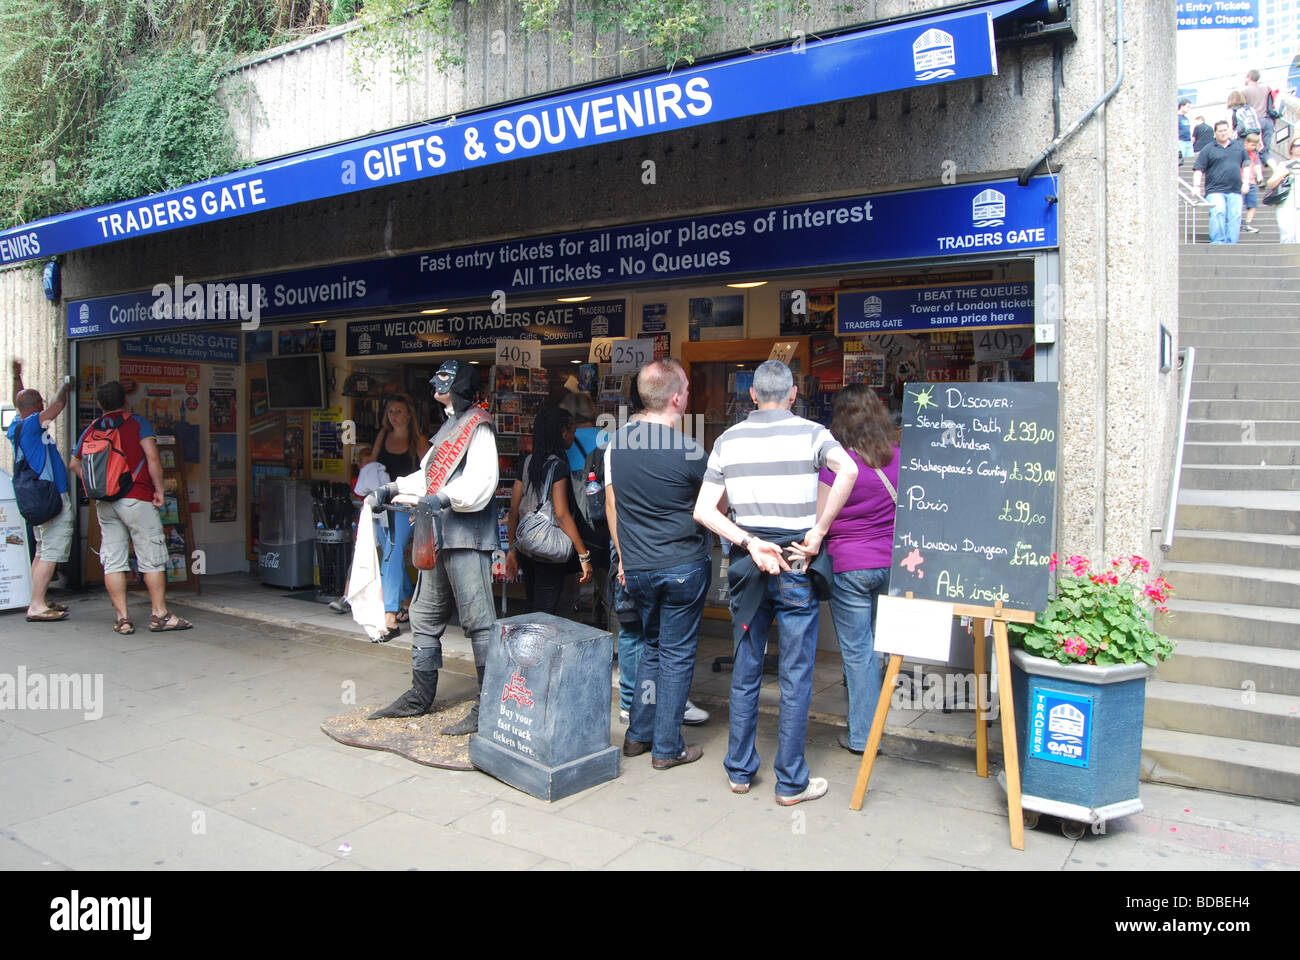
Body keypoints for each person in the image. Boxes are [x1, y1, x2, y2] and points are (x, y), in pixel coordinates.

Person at [694, 360, 859, 805]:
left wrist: (747, 541)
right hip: (794, 562)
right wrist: (819, 532)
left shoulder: (728, 440)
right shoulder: (812, 433)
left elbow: (705, 511)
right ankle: (791, 781)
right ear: (793, 393)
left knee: (746, 668)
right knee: (796, 672)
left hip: (750, 566)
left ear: (751, 395)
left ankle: (739, 770)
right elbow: (849, 471)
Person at [366, 360, 499, 733]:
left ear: (459, 385)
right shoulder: (449, 427)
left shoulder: (478, 426)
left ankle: (488, 704)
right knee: (424, 616)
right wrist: (394, 488)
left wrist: (442, 498)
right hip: (439, 536)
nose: (435, 384)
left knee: (479, 622)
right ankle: (419, 695)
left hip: (467, 538)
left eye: (444, 378)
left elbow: (482, 481)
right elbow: (426, 474)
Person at [606, 359, 711, 770]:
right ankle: (668, 747)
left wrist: (623, 558)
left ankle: (638, 735)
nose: (687, 393)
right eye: (685, 387)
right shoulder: (690, 451)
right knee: (677, 655)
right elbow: (714, 504)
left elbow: (612, 504)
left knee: (651, 647)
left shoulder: (616, 443)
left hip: (638, 568)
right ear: (676, 398)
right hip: (682, 565)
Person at [69, 381, 192, 635]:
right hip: (136, 497)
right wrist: (159, 490)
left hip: (105, 503)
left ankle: (122, 619)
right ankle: (159, 615)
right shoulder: (137, 422)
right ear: (125, 401)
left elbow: (74, 463)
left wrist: (97, 487)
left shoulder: (92, 427)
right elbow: (153, 456)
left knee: (113, 561)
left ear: (100, 405)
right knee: (152, 556)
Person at [818, 385, 899, 754]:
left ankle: (863, 737)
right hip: (892, 565)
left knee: (857, 652)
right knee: (879, 647)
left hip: (850, 566)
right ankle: (870, 718)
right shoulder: (900, 459)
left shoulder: (840, 467)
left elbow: (821, 517)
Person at [505, 406, 593, 615]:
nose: (573, 435)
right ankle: (538, 647)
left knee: (533, 606)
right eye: (571, 430)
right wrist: (584, 555)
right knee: (546, 612)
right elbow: (561, 515)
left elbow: (513, 510)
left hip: (527, 547)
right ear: (562, 432)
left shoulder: (527, 463)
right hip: (548, 549)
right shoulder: (558, 467)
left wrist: (512, 549)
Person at [8, 360, 74, 622]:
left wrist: (17, 377)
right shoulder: (34, 424)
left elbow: (20, 401)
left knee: (42, 550)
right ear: (35, 409)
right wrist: (65, 385)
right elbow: (58, 406)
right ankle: (36, 606)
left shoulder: (18, 424)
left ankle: (39, 598)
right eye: (40, 404)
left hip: (39, 498)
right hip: (51, 497)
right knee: (50, 551)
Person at [359, 395, 430, 639]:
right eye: (390, 411)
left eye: (398, 411)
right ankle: (408, 598)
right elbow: (372, 464)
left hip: (407, 507)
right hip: (383, 506)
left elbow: (431, 472)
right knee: (391, 555)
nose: (394, 416)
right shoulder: (383, 435)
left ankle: (389, 614)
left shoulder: (417, 440)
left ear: (409, 414)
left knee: (390, 551)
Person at [1193, 121, 1251, 244]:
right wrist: (1196, 186)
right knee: (1218, 212)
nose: (1223, 133)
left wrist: (1246, 182)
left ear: (1229, 131)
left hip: (1235, 189)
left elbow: (1246, 164)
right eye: (1220, 131)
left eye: (1225, 130)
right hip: (1215, 190)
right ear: (1215, 133)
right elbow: (1199, 169)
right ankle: (1218, 242)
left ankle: (1231, 243)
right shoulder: (1208, 149)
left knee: (1235, 217)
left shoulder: (1238, 146)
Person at [1265, 137, 1300, 244]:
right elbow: (1270, 184)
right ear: (1291, 149)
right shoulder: (1284, 165)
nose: (1299, 148)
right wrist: (1283, 174)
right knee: (1287, 233)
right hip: (1287, 202)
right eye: (1297, 146)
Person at [1241, 69, 1275, 163]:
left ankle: (1258, 174)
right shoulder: (1266, 89)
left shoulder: (1244, 92)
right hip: (1268, 121)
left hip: (1254, 123)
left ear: (1249, 77)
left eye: (1246, 77)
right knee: (1265, 151)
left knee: (1254, 149)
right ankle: (1274, 168)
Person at [1241, 132, 1265, 234]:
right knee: (1238, 204)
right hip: (1241, 181)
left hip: (1251, 182)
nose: (1254, 147)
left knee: (1253, 205)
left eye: (1255, 145)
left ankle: (1247, 224)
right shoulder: (1240, 153)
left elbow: (1256, 166)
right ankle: (1236, 223)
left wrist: (1259, 177)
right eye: (1252, 145)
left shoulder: (1254, 155)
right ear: (1246, 143)